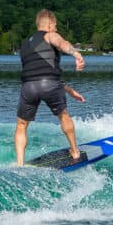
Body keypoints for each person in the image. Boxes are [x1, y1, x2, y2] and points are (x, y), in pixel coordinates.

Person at [14, 9, 86, 167]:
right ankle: (74, 151)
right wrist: (77, 55)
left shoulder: (25, 45)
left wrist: (70, 91)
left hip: (28, 87)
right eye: (56, 26)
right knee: (64, 117)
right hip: (50, 85)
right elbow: (62, 43)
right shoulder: (49, 35)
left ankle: (19, 164)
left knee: (21, 125)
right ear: (49, 24)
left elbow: (38, 73)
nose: (56, 29)